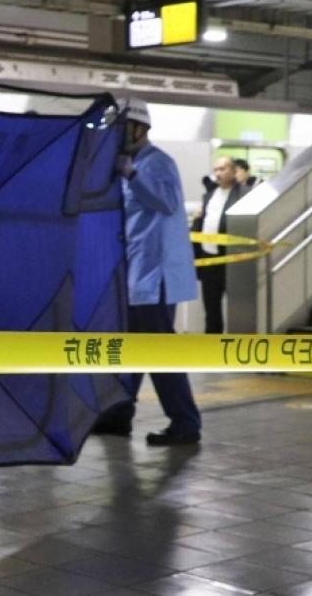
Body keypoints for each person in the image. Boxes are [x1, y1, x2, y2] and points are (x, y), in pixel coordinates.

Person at [91, 98, 202, 446]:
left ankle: (185, 422)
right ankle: (119, 415)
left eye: (122, 129)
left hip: (157, 278)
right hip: (137, 276)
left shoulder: (157, 163)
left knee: (157, 350)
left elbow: (166, 203)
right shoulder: (128, 166)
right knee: (132, 347)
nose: (117, 136)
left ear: (139, 129)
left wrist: (133, 175)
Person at [192, 156, 243, 336]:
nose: (218, 173)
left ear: (234, 171)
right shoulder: (209, 195)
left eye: (223, 169)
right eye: (216, 170)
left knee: (239, 309)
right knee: (211, 309)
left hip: (231, 260)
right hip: (209, 260)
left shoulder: (243, 195)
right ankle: (211, 349)